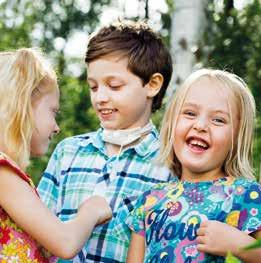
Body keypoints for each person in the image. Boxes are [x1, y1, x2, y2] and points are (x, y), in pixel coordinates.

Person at [124, 69, 261, 262]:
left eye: (218, 120)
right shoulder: (149, 200)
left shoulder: (244, 195)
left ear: (236, 138)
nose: (200, 125)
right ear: (172, 123)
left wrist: (240, 245)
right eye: (190, 113)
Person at [37, 20, 173, 262]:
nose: (100, 97)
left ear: (152, 85)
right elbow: (37, 233)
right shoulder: (68, 152)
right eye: (93, 86)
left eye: (114, 86)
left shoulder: (170, 165)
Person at [0, 48, 112, 262]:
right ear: (23, 106)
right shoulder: (3, 172)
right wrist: (90, 211)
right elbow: (65, 242)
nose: (56, 127)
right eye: (54, 112)